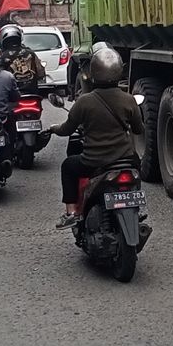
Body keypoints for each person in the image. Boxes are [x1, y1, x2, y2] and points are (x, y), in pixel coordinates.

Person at [47, 45, 142, 229]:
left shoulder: (84, 101)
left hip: (94, 161)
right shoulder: (129, 99)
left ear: (93, 72)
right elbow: (138, 129)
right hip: (126, 159)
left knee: (68, 166)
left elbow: (67, 129)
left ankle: (72, 213)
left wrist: (53, 128)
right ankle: (135, 205)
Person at [0, 24, 44, 94]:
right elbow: (41, 73)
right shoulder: (30, 53)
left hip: (13, 95)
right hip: (33, 93)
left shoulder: (3, 56)